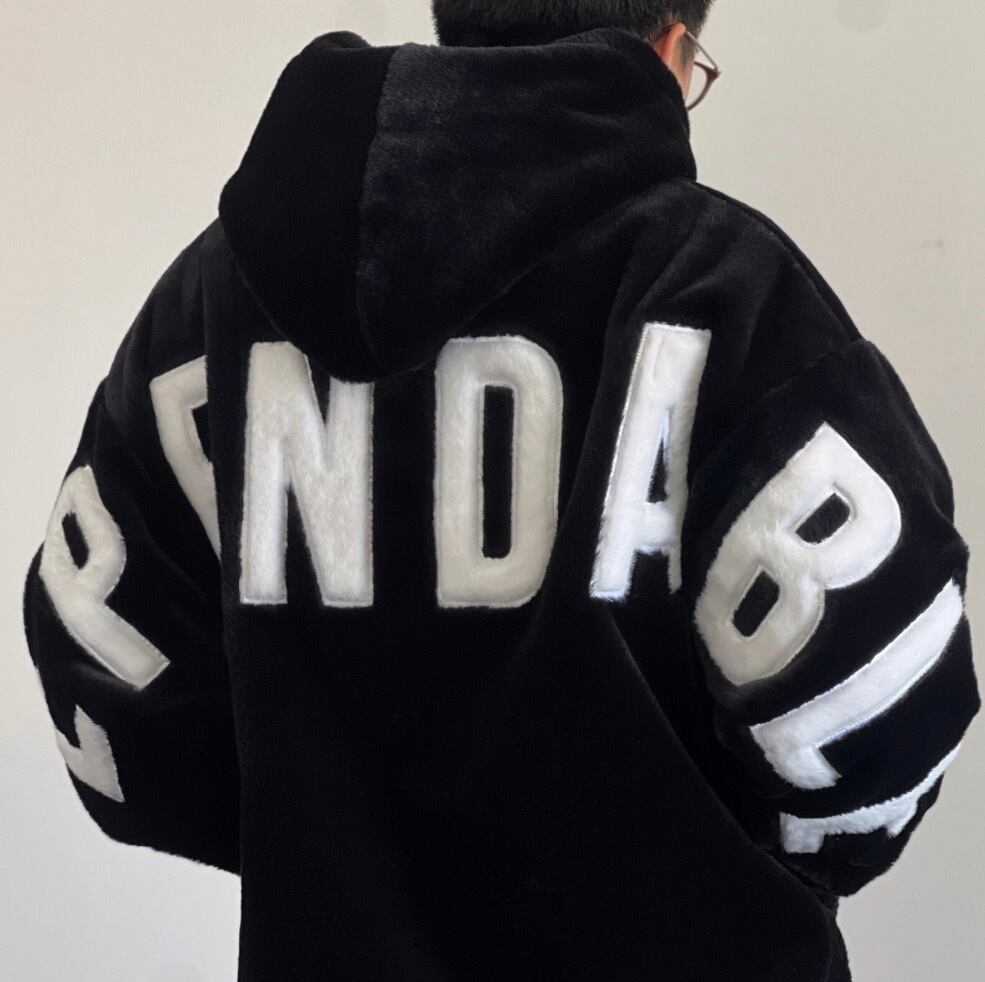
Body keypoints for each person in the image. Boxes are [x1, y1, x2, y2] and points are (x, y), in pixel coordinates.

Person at [22, 2, 979, 979]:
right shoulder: (726, 293)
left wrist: (320, 842)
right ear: (669, 46)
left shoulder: (216, 301)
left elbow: (102, 662)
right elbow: (881, 711)